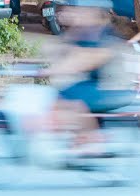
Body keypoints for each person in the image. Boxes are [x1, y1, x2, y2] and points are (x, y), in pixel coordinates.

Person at [46, 0, 133, 143]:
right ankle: (79, 140)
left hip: (113, 88)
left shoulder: (106, 35)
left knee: (71, 100)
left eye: (80, 10)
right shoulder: (81, 32)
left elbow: (89, 58)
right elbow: (62, 50)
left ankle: (91, 142)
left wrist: (57, 68)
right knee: (60, 97)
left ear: (94, 12)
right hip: (93, 85)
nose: (74, 13)